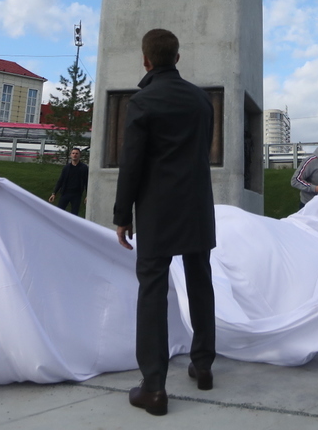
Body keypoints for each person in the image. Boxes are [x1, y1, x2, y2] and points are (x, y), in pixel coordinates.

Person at [114, 29, 217, 417]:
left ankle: (154, 387)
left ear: (146, 60)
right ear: (177, 57)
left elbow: (132, 163)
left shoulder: (142, 101)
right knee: (200, 282)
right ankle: (203, 365)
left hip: (157, 209)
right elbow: (202, 150)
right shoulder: (201, 100)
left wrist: (123, 214)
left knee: (153, 291)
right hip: (195, 204)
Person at [49, 147, 89, 215]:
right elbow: (60, 180)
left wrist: (88, 195)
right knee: (59, 212)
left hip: (76, 194)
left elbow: (87, 182)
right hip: (65, 193)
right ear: (70, 155)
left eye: (76, 153)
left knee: (74, 213)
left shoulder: (84, 168)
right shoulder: (66, 168)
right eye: (73, 153)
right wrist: (54, 193)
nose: (75, 155)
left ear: (79, 155)